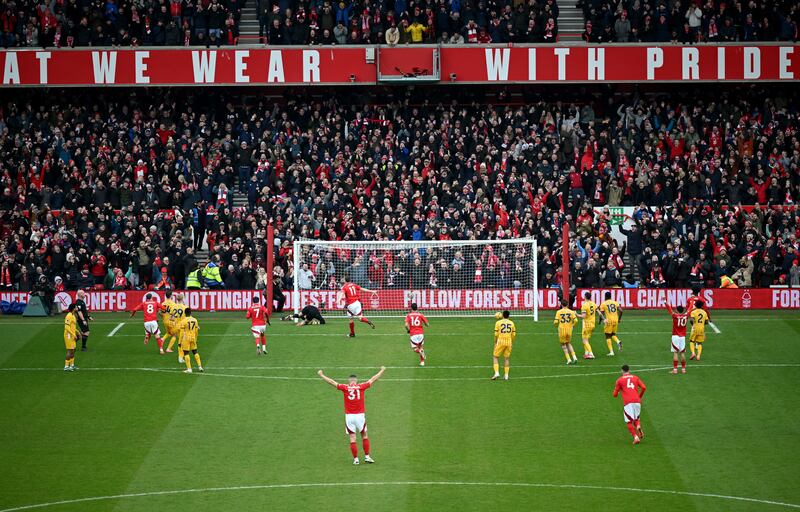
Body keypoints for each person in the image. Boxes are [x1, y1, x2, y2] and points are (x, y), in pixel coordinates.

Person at [317, 366, 386, 465]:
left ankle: (356, 459)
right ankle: (367, 456)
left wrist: (321, 375)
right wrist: (382, 370)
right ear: (356, 381)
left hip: (349, 417)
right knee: (364, 436)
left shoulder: (345, 387)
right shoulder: (361, 386)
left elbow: (332, 382)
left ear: (349, 381)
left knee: (352, 438)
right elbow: (373, 379)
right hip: (360, 416)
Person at [612, 365, 647, 445]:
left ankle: (635, 437)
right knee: (636, 417)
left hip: (628, 402)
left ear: (622, 371)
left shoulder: (619, 380)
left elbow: (614, 395)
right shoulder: (635, 377)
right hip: (637, 401)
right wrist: (639, 396)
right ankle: (638, 427)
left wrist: (618, 390)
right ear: (629, 370)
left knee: (628, 421)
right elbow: (644, 387)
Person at [492, 310, 516, 380]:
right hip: (509, 342)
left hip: (500, 341)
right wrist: (512, 342)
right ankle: (506, 376)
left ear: (502, 315)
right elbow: (514, 334)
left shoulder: (498, 322)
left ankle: (496, 373)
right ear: (509, 316)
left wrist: (495, 342)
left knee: (495, 357)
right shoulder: (512, 323)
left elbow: (496, 334)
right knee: (506, 358)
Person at [177, 307, 203, 373]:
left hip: (186, 338)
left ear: (185, 313)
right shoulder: (195, 320)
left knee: (186, 353)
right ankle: (200, 366)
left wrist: (179, 341)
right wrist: (196, 338)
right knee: (195, 352)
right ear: (191, 313)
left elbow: (182, 332)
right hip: (193, 337)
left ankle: (189, 369)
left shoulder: (183, 321)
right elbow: (196, 330)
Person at [554, 299, 579, 365]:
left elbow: (556, 322)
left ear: (561, 305)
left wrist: (556, 325)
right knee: (568, 343)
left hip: (562, 330)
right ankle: (574, 357)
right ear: (567, 304)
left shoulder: (558, 312)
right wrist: (573, 326)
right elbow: (576, 320)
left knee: (563, 345)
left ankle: (568, 359)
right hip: (569, 330)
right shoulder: (571, 312)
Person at [599, 292, 623, 356]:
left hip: (609, 321)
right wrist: (619, 319)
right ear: (610, 296)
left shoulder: (603, 304)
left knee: (607, 336)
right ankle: (618, 341)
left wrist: (600, 320)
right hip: (616, 320)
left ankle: (611, 352)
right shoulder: (615, 302)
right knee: (613, 334)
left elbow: (601, 314)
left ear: (605, 296)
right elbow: (621, 310)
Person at [667, 304, 688, 373]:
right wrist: (692, 301)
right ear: (683, 310)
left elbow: (669, 308)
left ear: (677, 310)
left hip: (675, 336)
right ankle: (683, 369)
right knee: (682, 353)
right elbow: (690, 308)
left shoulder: (674, 316)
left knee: (675, 352)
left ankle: (675, 369)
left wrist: (665, 301)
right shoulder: (686, 315)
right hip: (682, 337)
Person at [578, 291, 597, 359]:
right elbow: (598, 312)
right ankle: (586, 353)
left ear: (585, 297)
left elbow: (583, 316)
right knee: (587, 339)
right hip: (593, 324)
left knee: (584, 340)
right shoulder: (593, 304)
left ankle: (591, 354)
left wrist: (576, 315)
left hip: (587, 325)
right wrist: (604, 319)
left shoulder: (584, 305)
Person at [169, 294, 187, 362]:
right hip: (183, 326)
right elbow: (187, 318)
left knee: (180, 342)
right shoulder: (185, 307)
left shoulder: (173, 307)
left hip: (176, 326)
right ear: (182, 299)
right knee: (183, 342)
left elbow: (171, 318)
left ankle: (181, 357)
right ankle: (181, 357)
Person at [63, 303, 78, 371]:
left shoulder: (73, 315)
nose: (77, 308)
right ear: (73, 308)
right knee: (69, 350)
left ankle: (72, 365)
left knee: (73, 349)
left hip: (72, 334)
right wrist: (73, 334)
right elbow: (66, 327)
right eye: (76, 307)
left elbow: (73, 327)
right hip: (68, 335)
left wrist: (77, 332)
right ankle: (66, 366)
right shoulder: (68, 316)